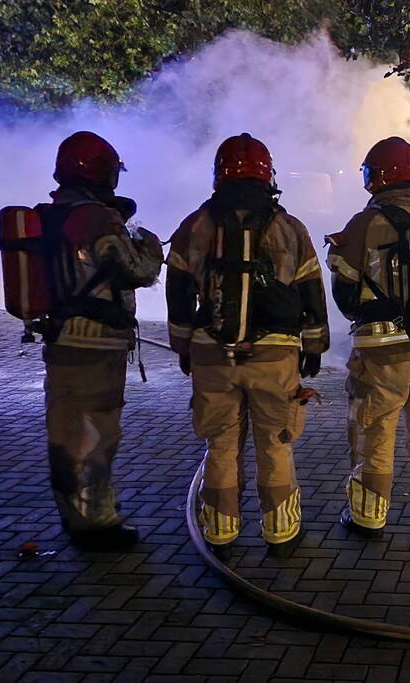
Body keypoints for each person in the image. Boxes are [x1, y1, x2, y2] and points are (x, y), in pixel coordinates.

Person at [166, 133, 328, 560]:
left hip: (212, 352)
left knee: (220, 444)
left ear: (218, 175)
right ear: (267, 174)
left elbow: (178, 293)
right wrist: (314, 345)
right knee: (275, 441)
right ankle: (280, 529)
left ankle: (220, 530)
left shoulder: (195, 226)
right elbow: (312, 291)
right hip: (275, 356)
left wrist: (183, 346)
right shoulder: (289, 227)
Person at [326, 136, 410, 537]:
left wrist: (367, 317)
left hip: (383, 352)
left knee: (376, 430)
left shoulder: (365, 224)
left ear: (373, 177)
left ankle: (368, 517)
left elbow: (345, 291)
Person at [42, 131, 163, 550]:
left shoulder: (53, 214)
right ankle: (96, 525)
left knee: (65, 432)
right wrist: (150, 245)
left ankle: (74, 517)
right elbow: (134, 269)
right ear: (101, 172)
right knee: (95, 434)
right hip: (96, 345)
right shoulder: (96, 218)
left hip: (61, 341)